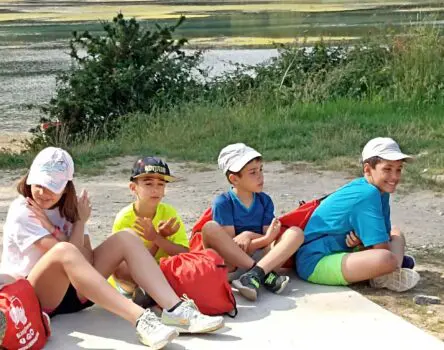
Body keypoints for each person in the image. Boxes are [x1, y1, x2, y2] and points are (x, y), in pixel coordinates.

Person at [1, 147, 224, 350]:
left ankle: (176, 310)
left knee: (125, 237)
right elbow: (66, 256)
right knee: (64, 251)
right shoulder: (25, 209)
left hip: (77, 293)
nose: (43, 192)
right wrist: (75, 225)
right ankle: (141, 320)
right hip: (38, 296)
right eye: (39, 184)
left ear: (66, 187)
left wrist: (76, 222)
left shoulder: (71, 207)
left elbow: (86, 261)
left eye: (52, 187)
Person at [295, 137, 420, 292]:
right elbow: (382, 249)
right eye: (387, 169)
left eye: (398, 169)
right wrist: (367, 247)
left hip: (343, 251)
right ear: (367, 169)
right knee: (386, 258)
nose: (394, 177)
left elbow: (385, 237)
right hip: (315, 262)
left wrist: (362, 244)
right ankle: (387, 273)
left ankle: (385, 274)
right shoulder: (368, 194)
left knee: (396, 233)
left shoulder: (379, 190)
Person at [202, 143, 304, 301]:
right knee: (209, 228)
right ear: (234, 179)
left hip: (264, 260)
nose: (260, 176)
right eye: (253, 172)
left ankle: (254, 275)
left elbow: (267, 236)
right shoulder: (223, 202)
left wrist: (250, 235)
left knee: (296, 233)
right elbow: (233, 246)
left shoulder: (264, 200)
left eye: (261, 170)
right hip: (234, 264)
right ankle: (258, 274)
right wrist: (264, 239)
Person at [108, 157, 189, 300]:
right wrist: (156, 239)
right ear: (133, 188)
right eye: (148, 184)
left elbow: (185, 253)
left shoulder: (169, 213)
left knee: (185, 265)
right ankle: (148, 291)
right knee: (120, 269)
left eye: (160, 184)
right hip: (134, 278)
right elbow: (124, 266)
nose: (155, 190)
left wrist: (158, 238)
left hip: (161, 271)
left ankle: (151, 293)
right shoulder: (124, 218)